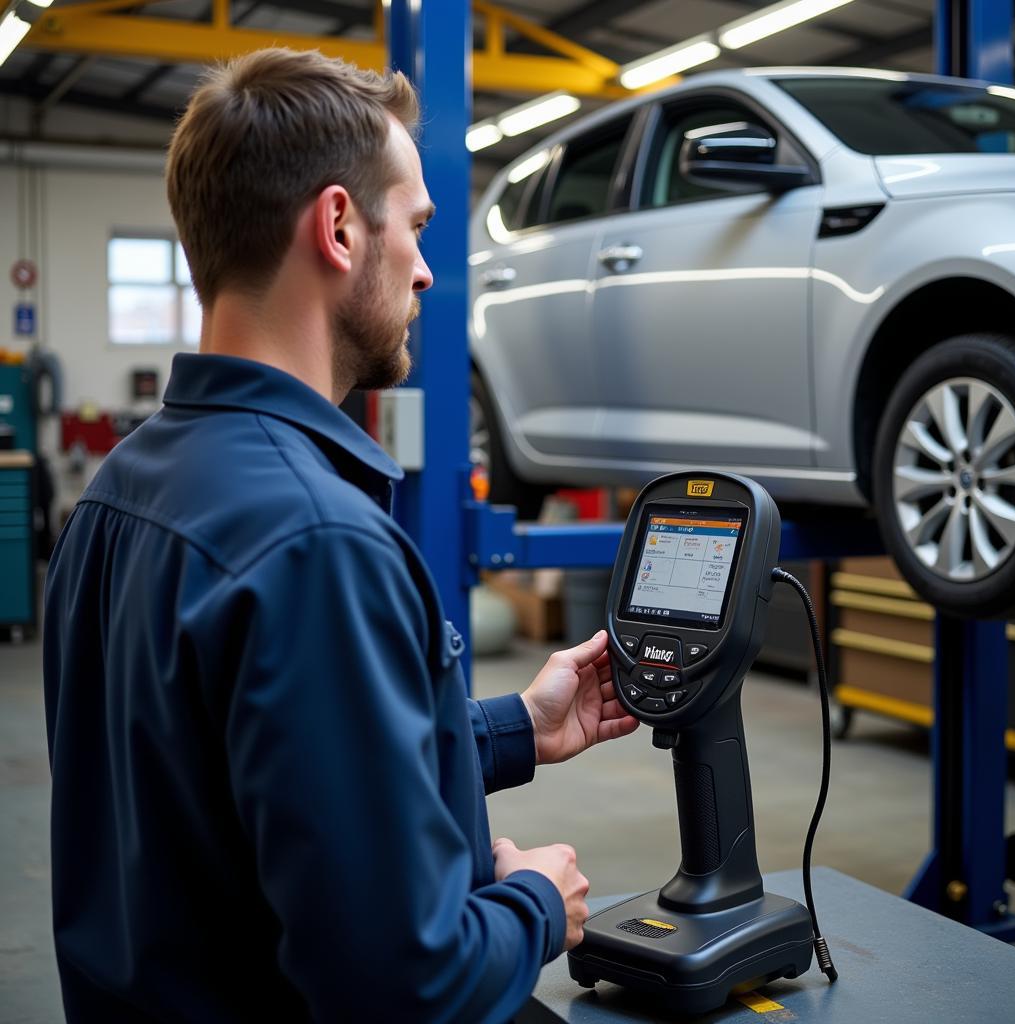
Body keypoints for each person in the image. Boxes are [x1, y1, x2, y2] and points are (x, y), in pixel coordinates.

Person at [43, 47, 639, 1023]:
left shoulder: (118, 491)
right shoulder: (318, 540)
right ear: (336, 226)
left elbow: (235, 789)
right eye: (414, 228)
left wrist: (514, 727)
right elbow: (402, 985)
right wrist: (537, 903)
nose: (426, 269)